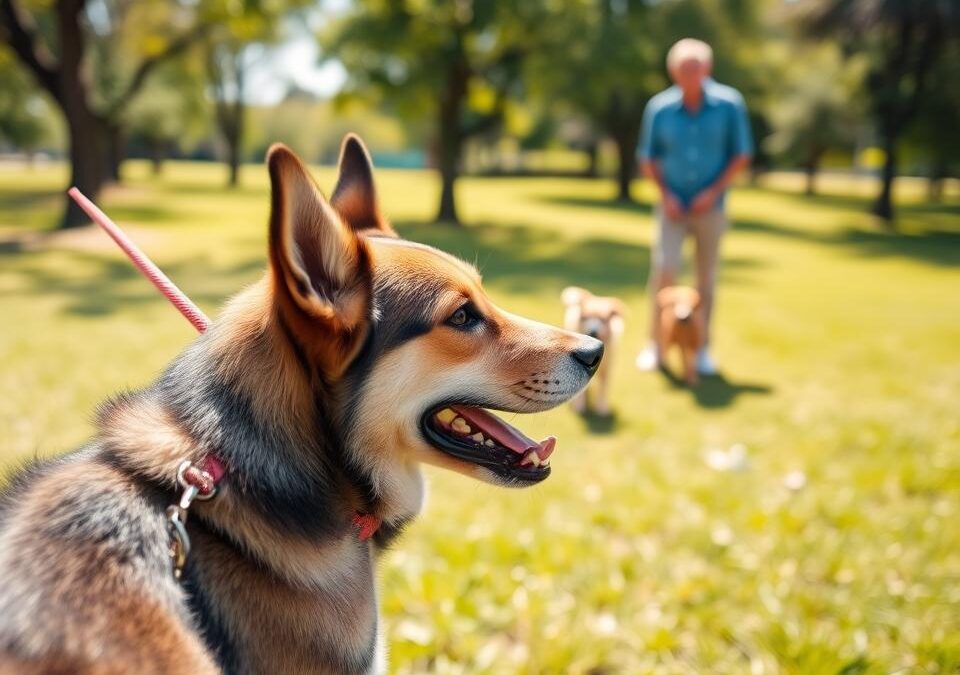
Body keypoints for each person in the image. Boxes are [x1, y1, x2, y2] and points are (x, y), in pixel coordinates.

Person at [635, 38, 753, 375]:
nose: (691, 73)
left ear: (707, 68)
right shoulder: (658, 108)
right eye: (684, 68)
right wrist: (666, 194)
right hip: (671, 205)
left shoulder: (730, 104)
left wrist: (712, 192)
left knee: (706, 279)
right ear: (674, 71)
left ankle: (701, 350)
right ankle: (655, 346)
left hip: (710, 208)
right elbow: (648, 157)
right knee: (665, 270)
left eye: (696, 67)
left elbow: (740, 154)